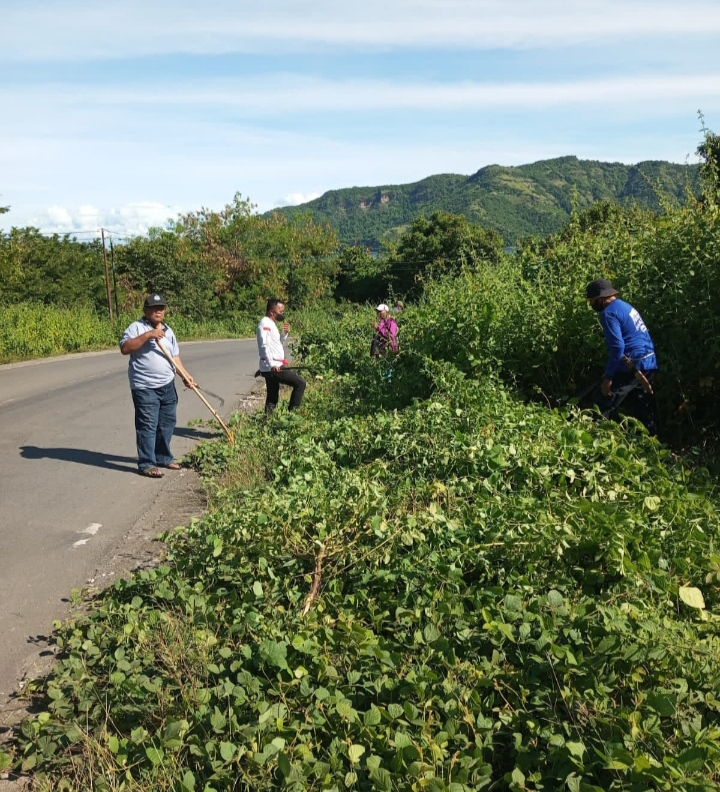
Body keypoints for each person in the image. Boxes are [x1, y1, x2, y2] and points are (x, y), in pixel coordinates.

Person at [120, 294, 194, 477]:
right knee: (147, 425)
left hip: (167, 385)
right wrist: (148, 335)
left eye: (161, 308)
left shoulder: (169, 331)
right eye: (154, 308)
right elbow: (125, 348)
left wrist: (184, 375)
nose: (158, 311)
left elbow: (174, 356)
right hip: (145, 387)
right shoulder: (136, 327)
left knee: (167, 423)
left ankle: (163, 457)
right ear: (146, 310)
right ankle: (147, 463)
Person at [585, 278, 658, 435]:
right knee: (640, 406)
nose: (591, 305)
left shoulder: (608, 313)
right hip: (649, 361)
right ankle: (654, 443)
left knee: (603, 402)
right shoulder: (625, 306)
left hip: (632, 365)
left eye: (591, 301)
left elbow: (618, 347)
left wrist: (608, 377)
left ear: (601, 299)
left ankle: (595, 444)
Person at [257, 298, 306, 415]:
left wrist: (284, 334)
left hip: (271, 365)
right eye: (281, 312)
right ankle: (292, 415)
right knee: (300, 383)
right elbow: (264, 346)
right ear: (272, 312)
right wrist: (272, 364)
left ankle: (267, 422)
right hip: (274, 366)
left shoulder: (271, 324)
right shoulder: (265, 324)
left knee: (272, 397)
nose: (282, 314)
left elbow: (275, 345)